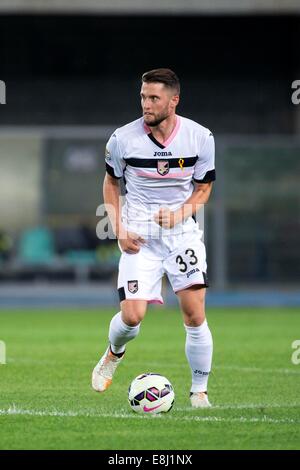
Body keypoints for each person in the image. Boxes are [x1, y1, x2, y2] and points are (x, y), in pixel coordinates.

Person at [92, 68, 215, 408]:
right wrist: (118, 228)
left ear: (173, 100)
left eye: (154, 98)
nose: (146, 104)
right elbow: (112, 183)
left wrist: (180, 213)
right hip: (140, 237)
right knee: (131, 317)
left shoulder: (200, 138)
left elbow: (204, 188)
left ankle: (199, 392)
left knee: (194, 313)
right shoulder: (122, 139)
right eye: (143, 97)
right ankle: (114, 353)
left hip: (181, 236)